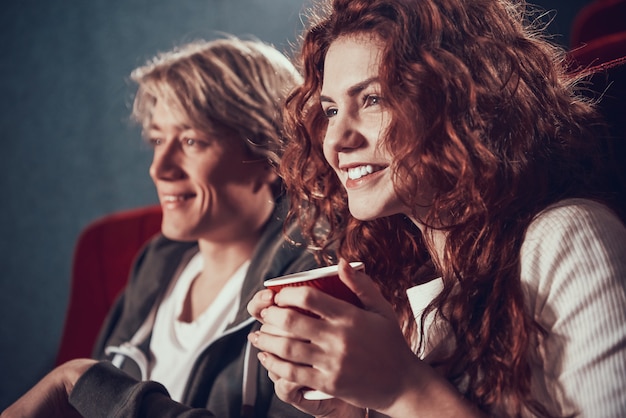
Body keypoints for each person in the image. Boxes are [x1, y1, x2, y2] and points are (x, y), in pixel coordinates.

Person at [246, 0, 626, 417]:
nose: (336, 140)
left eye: (372, 99)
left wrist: (402, 389)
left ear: (462, 99)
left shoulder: (569, 237)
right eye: (331, 110)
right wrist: (354, 405)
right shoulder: (407, 284)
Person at [2, 37, 318, 418]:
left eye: (190, 141)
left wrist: (80, 379)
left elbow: (91, 393)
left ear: (272, 158)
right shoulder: (154, 262)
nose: (159, 168)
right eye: (156, 139)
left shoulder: (306, 286)